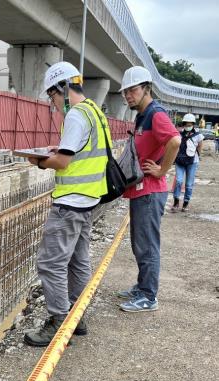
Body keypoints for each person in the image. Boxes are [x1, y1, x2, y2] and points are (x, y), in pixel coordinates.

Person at [23, 61, 109, 347]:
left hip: (70, 204)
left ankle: (60, 320)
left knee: (51, 263)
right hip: (89, 200)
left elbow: (63, 161)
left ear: (62, 88)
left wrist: (39, 161)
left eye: (52, 96)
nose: (54, 103)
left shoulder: (75, 116)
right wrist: (56, 151)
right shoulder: (95, 111)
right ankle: (77, 315)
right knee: (78, 261)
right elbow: (83, 152)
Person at [117, 66, 181, 312]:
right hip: (140, 190)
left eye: (132, 90)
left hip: (150, 191)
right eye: (125, 93)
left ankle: (148, 296)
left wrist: (163, 170)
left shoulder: (155, 114)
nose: (128, 96)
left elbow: (175, 140)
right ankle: (142, 286)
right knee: (139, 243)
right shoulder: (142, 116)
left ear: (146, 89)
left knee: (147, 245)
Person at [171, 113, 203, 212]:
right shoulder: (178, 134)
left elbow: (200, 146)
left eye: (190, 125)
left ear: (193, 124)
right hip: (180, 161)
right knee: (179, 181)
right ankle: (176, 202)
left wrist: (199, 155)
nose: (188, 127)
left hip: (192, 162)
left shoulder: (198, 135)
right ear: (183, 124)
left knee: (189, 184)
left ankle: (186, 203)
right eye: (186, 125)